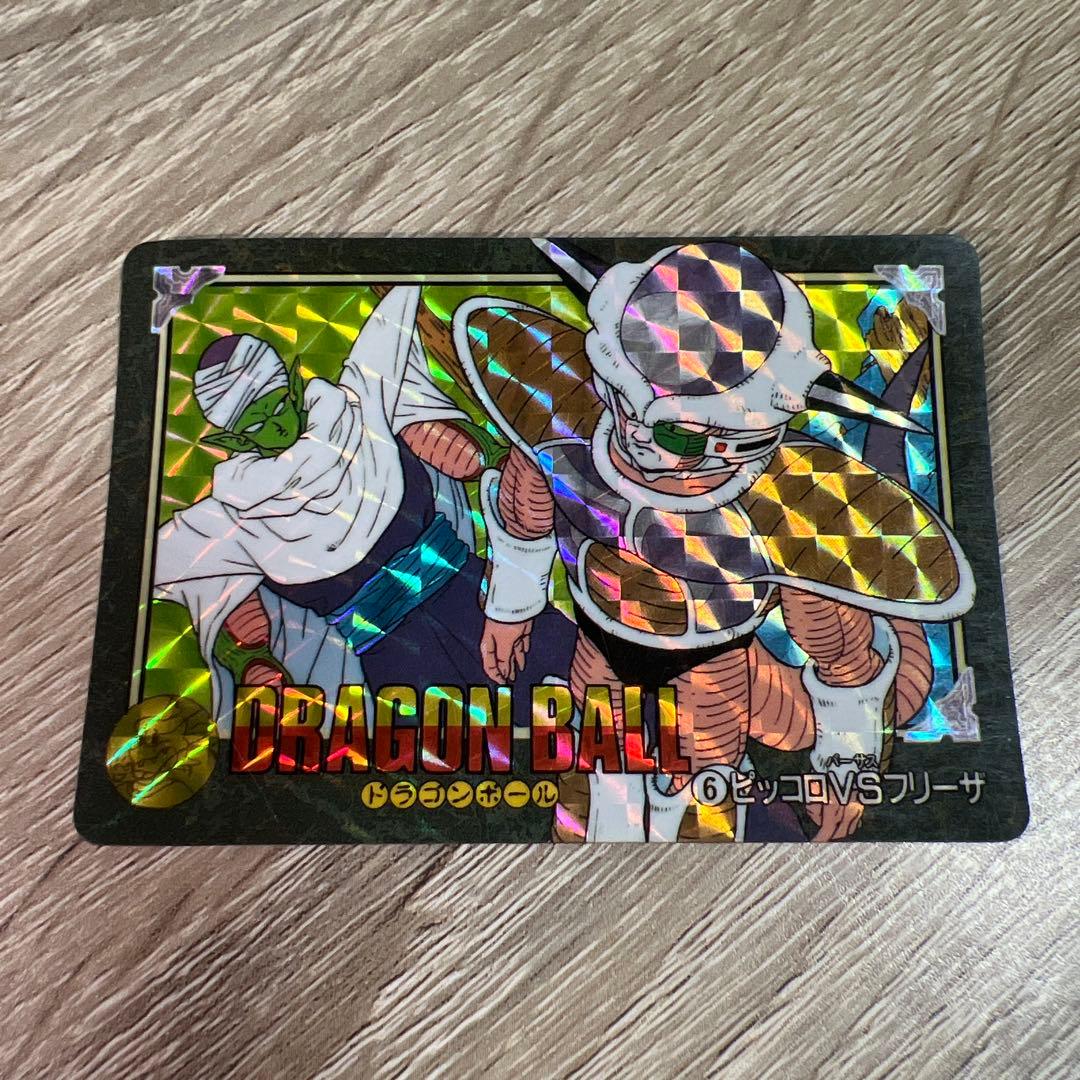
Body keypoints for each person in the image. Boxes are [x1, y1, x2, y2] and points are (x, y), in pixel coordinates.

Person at [454, 240, 973, 842]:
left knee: (701, 793)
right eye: (621, 400)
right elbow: (527, 504)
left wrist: (847, 769)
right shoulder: (568, 416)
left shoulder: (788, 505)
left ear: (746, 432)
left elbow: (839, 652)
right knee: (593, 785)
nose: (635, 441)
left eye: (673, 433)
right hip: (600, 644)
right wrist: (511, 608)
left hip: (711, 669)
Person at [154, 286, 575, 739]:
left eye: (279, 404)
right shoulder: (233, 515)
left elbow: (402, 314)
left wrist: (490, 459)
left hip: (476, 595)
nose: (277, 424)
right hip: (396, 663)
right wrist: (250, 660)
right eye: (257, 424)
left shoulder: (360, 403)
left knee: (593, 689)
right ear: (233, 440)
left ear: (293, 385)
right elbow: (173, 570)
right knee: (458, 756)